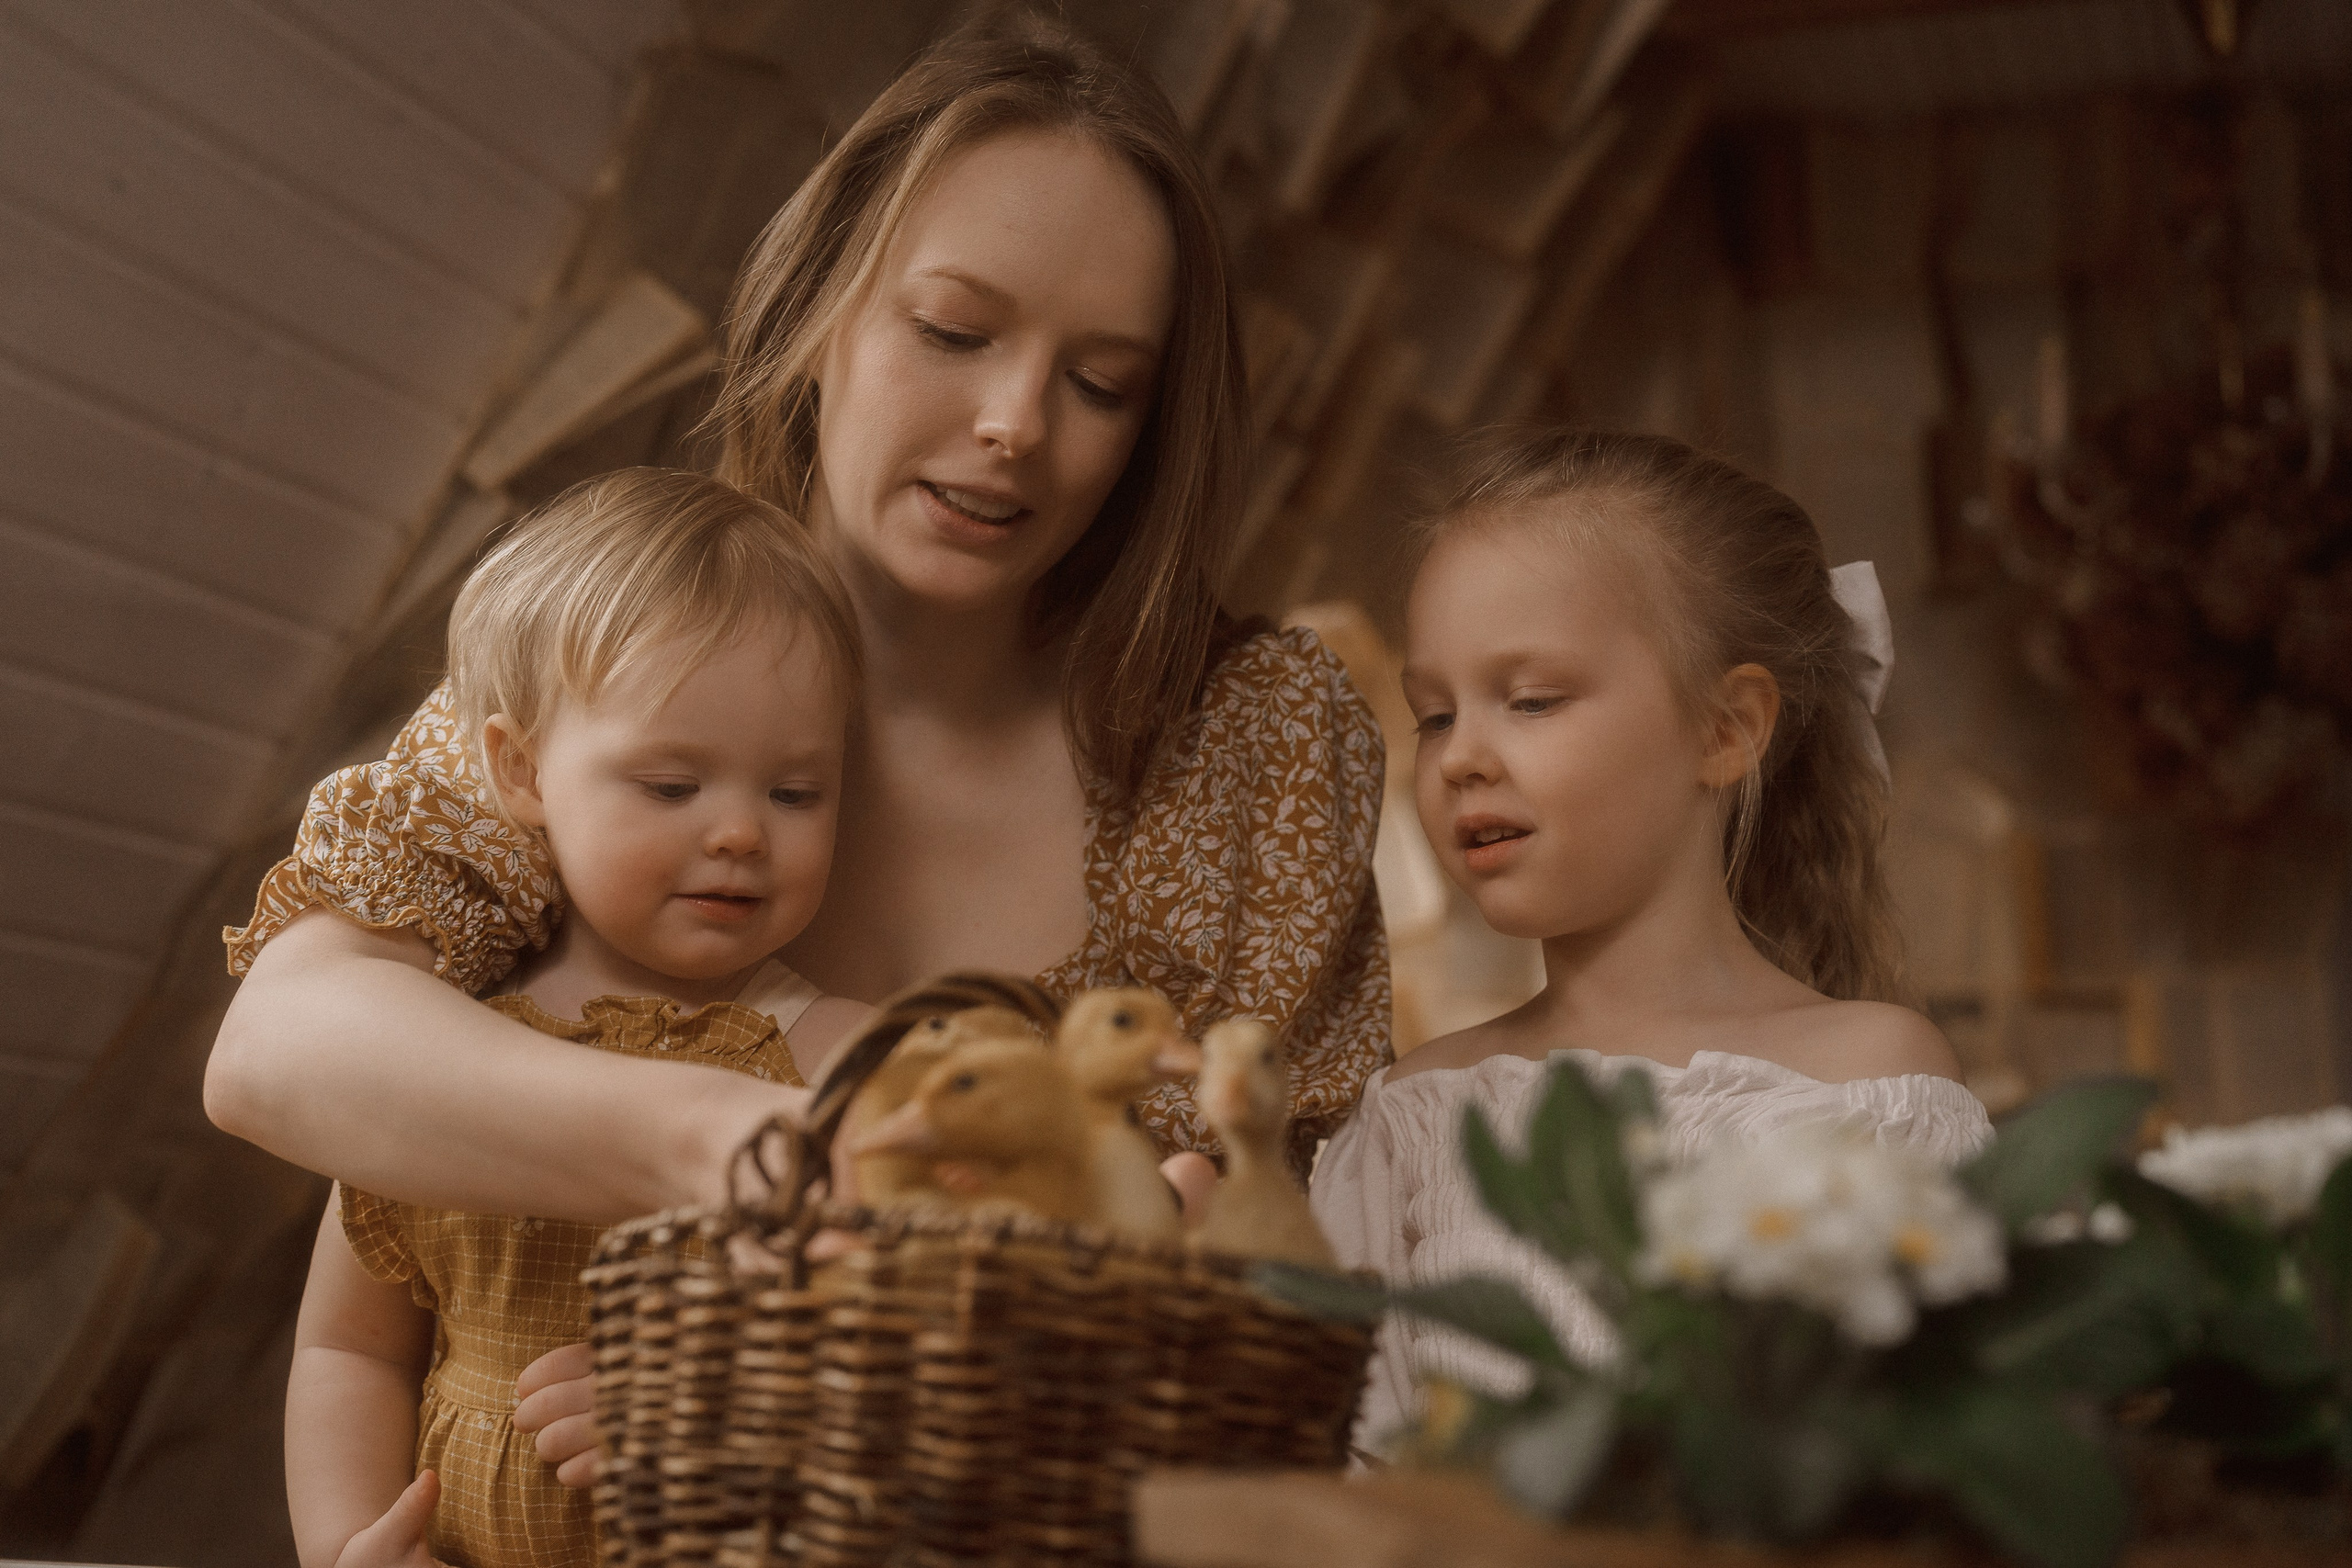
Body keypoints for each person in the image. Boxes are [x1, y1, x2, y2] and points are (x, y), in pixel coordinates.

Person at [208, 11, 1387, 1491]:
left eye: (1102, 385)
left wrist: (808, 1386)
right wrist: (735, 1141)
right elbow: (278, 1050)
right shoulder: (629, 634)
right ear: (821, 306)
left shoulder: (1263, 736)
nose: (1016, 422)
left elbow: (1302, 1302)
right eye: (954, 331)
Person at [1308, 428, 1993, 1449]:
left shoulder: (1871, 1084)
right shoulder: (1412, 1121)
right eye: (1435, 717)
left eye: (1530, 700)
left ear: (1725, 730)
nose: (1460, 761)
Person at [285, 468, 869, 1568]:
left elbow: (921, 1349)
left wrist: (738, 1402)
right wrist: (346, 1543)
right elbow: (348, 1350)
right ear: (522, 771)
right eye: (670, 785)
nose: (742, 832)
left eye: (796, 793)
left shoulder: (837, 1056)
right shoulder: (437, 1051)